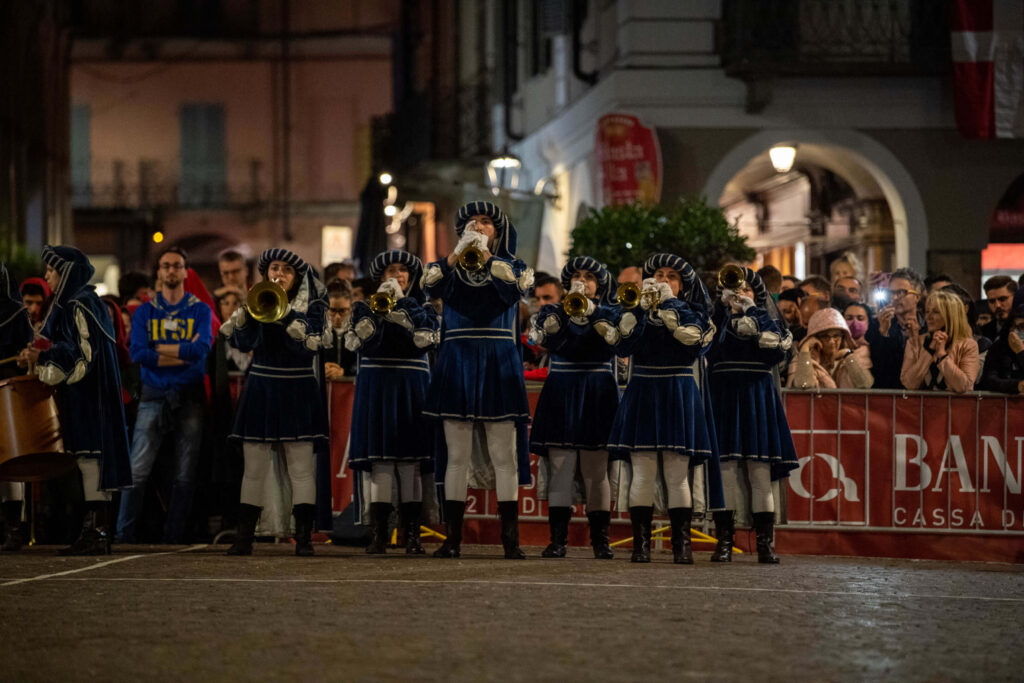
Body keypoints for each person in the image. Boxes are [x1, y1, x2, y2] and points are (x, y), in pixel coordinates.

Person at [422, 201, 534, 559]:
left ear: (497, 231)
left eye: (486, 222)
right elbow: (429, 285)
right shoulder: (448, 267)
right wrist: (457, 254)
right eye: (472, 222)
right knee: (456, 456)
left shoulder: (510, 266)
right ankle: (452, 539)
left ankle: (510, 541)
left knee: (504, 456)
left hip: (498, 361)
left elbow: (513, 288)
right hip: (458, 360)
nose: (479, 226)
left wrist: (484, 256)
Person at [602, 253, 722, 564]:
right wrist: (639, 311)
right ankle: (640, 545)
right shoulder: (637, 310)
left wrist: (669, 305)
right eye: (658, 275)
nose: (663, 280)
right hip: (643, 389)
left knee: (676, 474)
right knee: (641, 473)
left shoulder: (693, 311)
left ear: (683, 285)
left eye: (671, 276)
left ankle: (681, 544)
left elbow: (696, 345)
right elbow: (621, 347)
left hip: (677, 390)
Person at [18, 246, 132, 554]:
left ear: (66, 273)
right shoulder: (82, 302)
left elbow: (84, 354)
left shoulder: (80, 304)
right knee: (88, 459)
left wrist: (42, 356)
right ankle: (95, 531)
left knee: (91, 458)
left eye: (52, 271)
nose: (47, 276)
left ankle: (96, 532)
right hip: (88, 392)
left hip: (90, 394)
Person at [219, 248, 329, 556]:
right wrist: (243, 320)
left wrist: (287, 315)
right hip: (262, 385)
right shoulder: (258, 299)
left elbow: (307, 350)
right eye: (274, 269)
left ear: (297, 278)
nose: (278, 275)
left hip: (297, 388)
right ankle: (244, 538)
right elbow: (242, 344)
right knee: (253, 468)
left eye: (286, 271)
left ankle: (304, 539)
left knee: (301, 468)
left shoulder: (312, 307)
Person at [345, 250, 439, 554]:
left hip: (410, 386)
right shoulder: (364, 307)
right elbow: (354, 343)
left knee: (410, 463)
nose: (396, 276)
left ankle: (412, 535)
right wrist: (374, 315)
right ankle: (380, 534)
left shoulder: (422, 309)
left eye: (402, 271)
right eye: (390, 271)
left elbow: (424, 340)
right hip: (377, 386)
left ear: (410, 278)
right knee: (381, 461)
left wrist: (401, 312)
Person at [116, 247, 213, 544]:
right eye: (166, 266)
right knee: (137, 470)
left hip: (189, 395)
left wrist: (160, 351)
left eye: (177, 266)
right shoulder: (145, 311)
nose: (171, 271)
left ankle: (175, 535)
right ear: (158, 272)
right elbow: (137, 353)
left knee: (185, 472)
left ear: (185, 271)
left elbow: (201, 351)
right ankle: (124, 534)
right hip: (154, 394)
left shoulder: (200, 310)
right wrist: (180, 353)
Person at [529, 256, 619, 560]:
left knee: (597, 470)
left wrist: (593, 312)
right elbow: (542, 339)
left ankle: (600, 541)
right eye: (577, 276)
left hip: (597, 390)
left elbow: (616, 342)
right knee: (561, 468)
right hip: (563, 388)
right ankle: (557, 540)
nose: (583, 281)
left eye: (590, 277)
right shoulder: (555, 311)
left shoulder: (610, 313)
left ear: (599, 284)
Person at [708, 267, 798, 563]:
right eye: (735, 288)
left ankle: (765, 543)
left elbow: (777, 353)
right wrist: (725, 310)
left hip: (757, 397)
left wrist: (753, 313)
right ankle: (724, 540)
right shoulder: (718, 318)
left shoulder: (767, 321)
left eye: (746, 289)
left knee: (760, 471)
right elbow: (711, 347)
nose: (739, 293)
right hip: (725, 396)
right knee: (726, 472)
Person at [0, 262, 34, 551]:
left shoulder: (16, 312)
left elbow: (26, 354)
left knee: (10, 463)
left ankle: (14, 529)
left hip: (7, 394)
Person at [900, 290, 979, 393]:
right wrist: (928, 352)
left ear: (951, 316)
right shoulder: (914, 343)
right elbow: (909, 383)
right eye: (927, 311)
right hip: (921, 407)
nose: (928, 317)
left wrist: (942, 355)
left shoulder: (968, 345)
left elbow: (964, 386)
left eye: (936, 312)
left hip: (955, 408)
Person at [865, 267, 925, 389]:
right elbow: (878, 367)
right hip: (888, 394)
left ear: (917, 297)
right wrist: (884, 333)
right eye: (891, 293)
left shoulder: (928, 325)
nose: (895, 298)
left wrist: (916, 337)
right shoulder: (877, 324)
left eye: (902, 292)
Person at [787, 308, 873, 389]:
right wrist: (805, 349)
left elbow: (865, 384)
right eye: (825, 336)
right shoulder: (802, 359)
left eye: (836, 336)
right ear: (815, 338)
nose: (832, 341)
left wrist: (848, 355)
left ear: (843, 337)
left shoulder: (853, 357)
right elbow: (803, 384)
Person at [980, 288, 1024, 394]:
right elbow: (989, 380)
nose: (1017, 331)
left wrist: (1021, 352)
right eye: (1014, 327)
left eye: (1022, 326)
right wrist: (1016, 386)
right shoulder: (999, 346)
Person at [322, 278, 357, 379]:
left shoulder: (358, 331)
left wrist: (344, 371)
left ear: (351, 309)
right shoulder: (318, 331)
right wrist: (321, 366)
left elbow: (361, 362)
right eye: (332, 310)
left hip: (350, 387)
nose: (337, 317)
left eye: (343, 311)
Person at [980, 275, 1018, 341]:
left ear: (1015, 297)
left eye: (1003, 299)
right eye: (992, 301)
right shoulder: (982, 332)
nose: (997, 305)